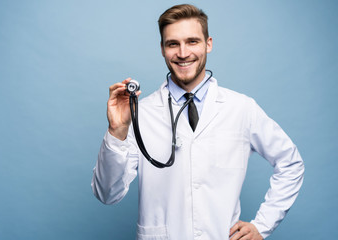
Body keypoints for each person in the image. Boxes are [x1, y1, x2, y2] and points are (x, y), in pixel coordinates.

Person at [91, 4, 304, 240]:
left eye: (192, 41)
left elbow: (291, 164)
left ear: (208, 44)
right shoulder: (140, 114)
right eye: (173, 44)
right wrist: (117, 130)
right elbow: (107, 194)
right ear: (162, 49)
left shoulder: (241, 108)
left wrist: (262, 226)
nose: (183, 53)